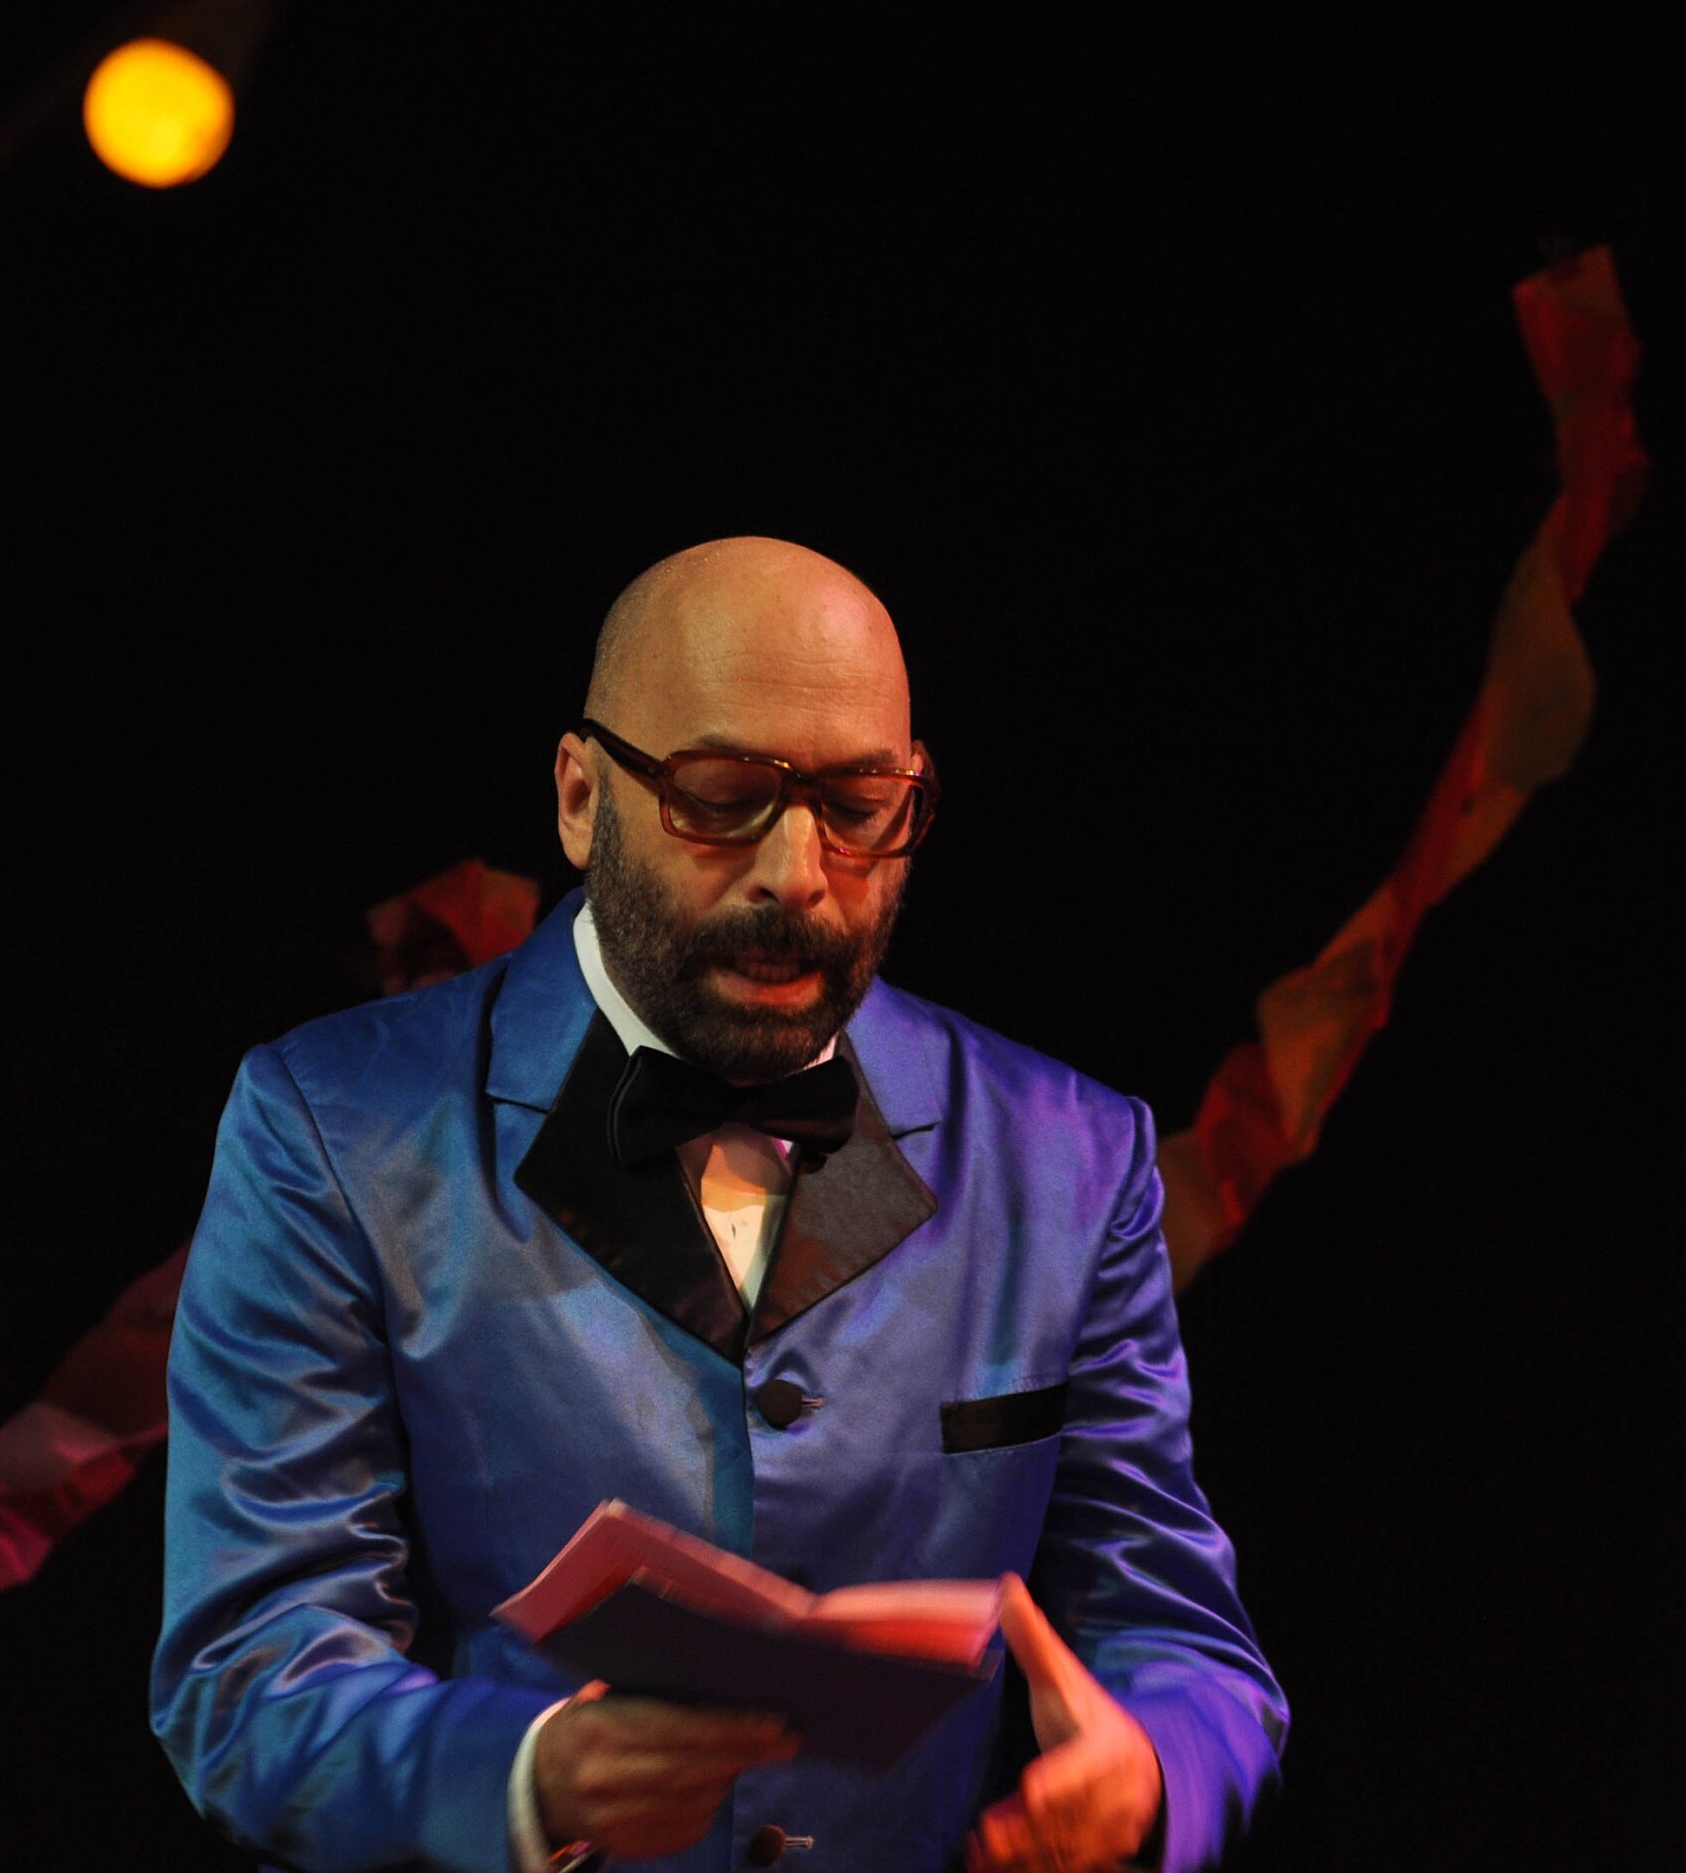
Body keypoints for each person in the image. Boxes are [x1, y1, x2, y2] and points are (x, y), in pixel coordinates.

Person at [153, 538, 1285, 1872]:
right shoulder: (334, 1129)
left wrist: (1146, 1767)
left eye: (858, 806)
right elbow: (252, 1671)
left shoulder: (1073, 1159)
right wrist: (529, 1775)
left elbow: (1184, 1643)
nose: (798, 873)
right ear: (582, 797)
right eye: (724, 799)